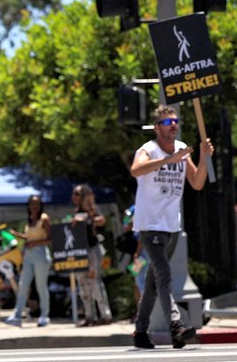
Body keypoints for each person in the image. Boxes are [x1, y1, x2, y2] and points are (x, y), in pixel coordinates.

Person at [130, 104, 215, 349]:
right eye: (168, 123)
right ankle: (176, 326)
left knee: (153, 283)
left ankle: (140, 332)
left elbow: (197, 183)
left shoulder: (181, 150)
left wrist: (203, 155)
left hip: (171, 226)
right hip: (151, 224)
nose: (173, 126)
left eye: (175, 121)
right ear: (157, 128)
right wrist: (169, 160)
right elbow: (136, 170)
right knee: (164, 275)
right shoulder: (149, 149)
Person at [4, 195, 52, 327]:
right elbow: (29, 237)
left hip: (41, 253)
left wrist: (34, 243)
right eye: (32, 204)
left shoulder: (44, 218)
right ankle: (17, 315)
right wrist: (18, 235)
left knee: (40, 285)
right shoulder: (30, 219)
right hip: (29, 255)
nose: (34, 206)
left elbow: (50, 238)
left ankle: (44, 315)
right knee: (23, 284)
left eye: (36, 204)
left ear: (40, 205)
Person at [71, 184, 113, 327]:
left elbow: (102, 220)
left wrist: (88, 220)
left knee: (95, 282)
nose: (74, 197)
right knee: (83, 285)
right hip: (80, 252)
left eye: (77, 194)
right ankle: (89, 316)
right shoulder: (76, 211)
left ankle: (105, 315)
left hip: (92, 250)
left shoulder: (92, 209)